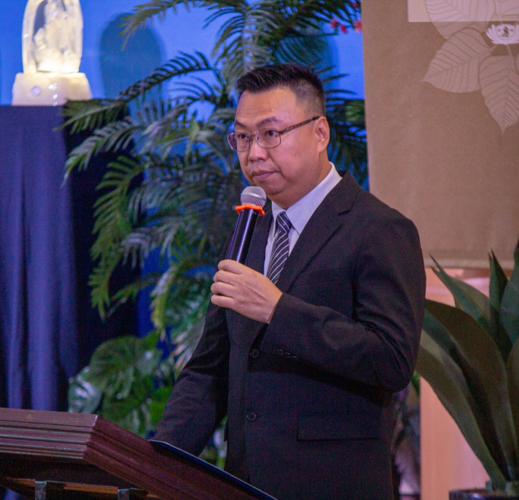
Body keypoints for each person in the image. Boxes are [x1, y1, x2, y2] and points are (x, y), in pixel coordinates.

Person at [153, 63, 425, 500]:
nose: (254, 153)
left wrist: (278, 311)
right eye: (242, 137)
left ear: (320, 133)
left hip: (334, 486)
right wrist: (153, 464)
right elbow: (210, 369)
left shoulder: (379, 229)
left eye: (270, 134)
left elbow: (391, 361)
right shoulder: (249, 228)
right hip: (245, 484)